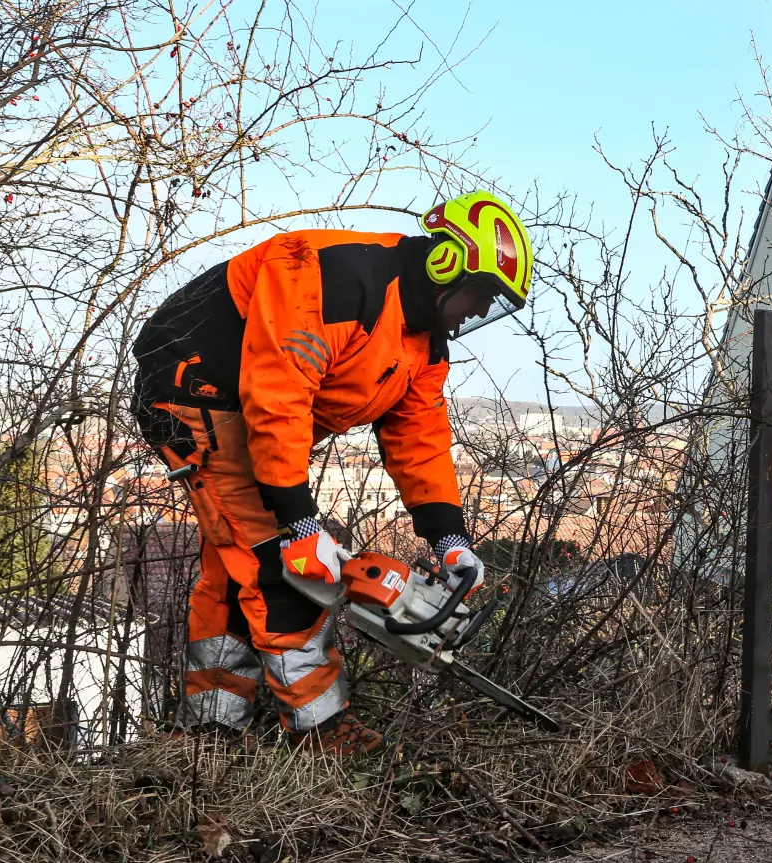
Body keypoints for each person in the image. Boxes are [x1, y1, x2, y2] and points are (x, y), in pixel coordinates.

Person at [131, 191, 533, 757]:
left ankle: (208, 728)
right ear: (447, 263)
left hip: (254, 412)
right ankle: (319, 725)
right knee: (278, 562)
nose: (475, 312)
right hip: (194, 383)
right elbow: (278, 395)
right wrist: (297, 522)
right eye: (479, 295)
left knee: (235, 562)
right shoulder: (333, 278)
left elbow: (419, 437)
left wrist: (449, 538)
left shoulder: (423, 344)